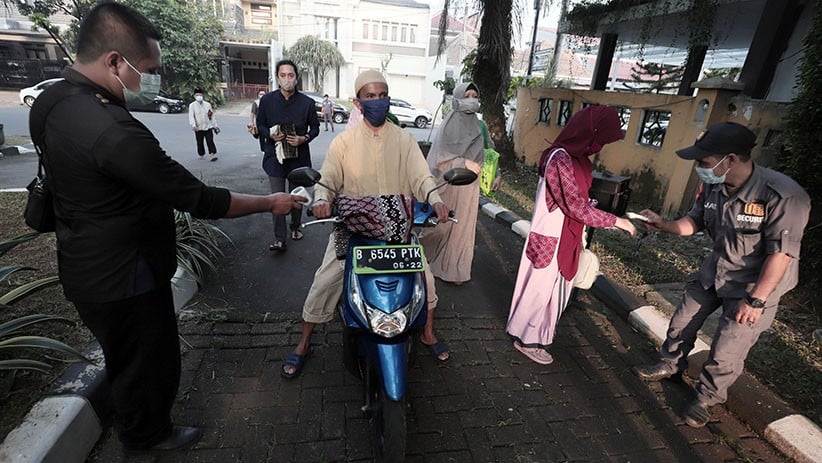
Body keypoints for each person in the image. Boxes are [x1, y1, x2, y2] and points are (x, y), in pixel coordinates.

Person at [32, 3, 306, 453]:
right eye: (146, 70)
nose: (148, 80)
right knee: (148, 360)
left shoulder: (51, 101)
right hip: (128, 274)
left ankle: (136, 423)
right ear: (114, 61)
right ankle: (146, 435)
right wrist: (270, 202)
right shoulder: (116, 133)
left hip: (82, 263)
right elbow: (198, 199)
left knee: (124, 357)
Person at [632, 121, 810, 428]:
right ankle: (671, 364)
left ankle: (706, 398)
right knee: (682, 321)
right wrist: (665, 224)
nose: (699, 167)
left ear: (730, 159)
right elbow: (695, 220)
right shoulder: (715, 183)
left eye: (703, 162)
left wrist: (756, 301)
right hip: (716, 270)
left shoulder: (782, 196)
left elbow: (781, 254)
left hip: (755, 286)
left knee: (728, 347)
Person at [281, 70, 452, 379]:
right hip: (354, 229)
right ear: (358, 103)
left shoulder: (404, 139)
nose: (377, 102)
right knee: (325, 281)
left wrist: (435, 198)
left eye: (382, 95)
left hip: (399, 228)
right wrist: (322, 199)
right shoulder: (343, 142)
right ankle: (304, 342)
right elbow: (329, 177)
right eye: (370, 97)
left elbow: (420, 175)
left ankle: (427, 332)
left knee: (426, 281)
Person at [506, 106, 637, 365]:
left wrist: (598, 211)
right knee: (540, 291)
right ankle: (527, 339)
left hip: (565, 236)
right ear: (589, 132)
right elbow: (573, 205)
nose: (599, 146)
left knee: (553, 291)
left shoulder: (577, 159)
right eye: (600, 139)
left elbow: (578, 200)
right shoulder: (559, 159)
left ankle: (535, 335)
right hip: (550, 238)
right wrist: (617, 221)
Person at [419, 82, 500, 285]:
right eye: (467, 95)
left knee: (462, 230)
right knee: (440, 227)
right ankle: (420, 254)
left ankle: (455, 271)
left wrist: (497, 174)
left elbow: (489, 152)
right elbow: (440, 157)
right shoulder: (448, 125)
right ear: (457, 99)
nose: (471, 100)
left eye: (474, 95)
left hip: (469, 187)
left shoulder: (479, 125)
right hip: (447, 184)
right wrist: (463, 162)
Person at [256, 59, 320, 251]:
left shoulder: (307, 103)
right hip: (274, 158)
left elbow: (315, 128)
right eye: (283, 75)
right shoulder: (267, 101)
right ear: (277, 78)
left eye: (290, 75)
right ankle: (279, 238)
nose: (287, 79)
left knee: (296, 196)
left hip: (298, 158)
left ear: (296, 78)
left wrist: (304, 138)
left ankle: (295, 227)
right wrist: (270, 134)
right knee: (277, 197)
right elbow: (260, 125)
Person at [188, 88, 219, 161]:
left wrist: (215, 125)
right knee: (199, 141)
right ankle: (201, 153)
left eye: (200, 95)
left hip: (208, 126)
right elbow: (191, 116)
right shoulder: (192, 105)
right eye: (197, 95)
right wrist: (193, 125)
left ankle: (213, 154)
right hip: (198, 127)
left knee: (210, 141)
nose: (199, 96)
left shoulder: (207, 105)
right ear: (194, 96)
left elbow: (211, 115)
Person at [250, 88, 266, 153]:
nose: (262, 95)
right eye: (260, 94)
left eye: (263, 94)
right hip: (259, 122)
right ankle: (263, 150)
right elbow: (252, 113)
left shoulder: (267, 102)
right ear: (258, 95)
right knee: (261, 136)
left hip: (267, 122)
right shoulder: (256, 103)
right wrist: (252, 122)